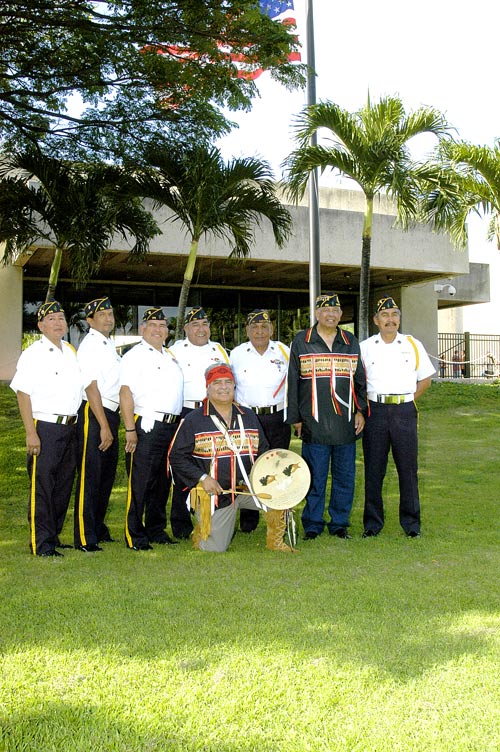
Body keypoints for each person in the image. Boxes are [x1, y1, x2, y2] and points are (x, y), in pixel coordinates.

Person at [169, 363, 292, 552]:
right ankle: (202, 528)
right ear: (208, 387)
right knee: (213, 548)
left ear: (235, 386)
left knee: (280, 493)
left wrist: (275, 478)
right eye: (217, 382)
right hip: (217, 493)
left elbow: (264, 451)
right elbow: (176, 457)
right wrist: (202, 479)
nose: (224, 387)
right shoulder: (194, 419)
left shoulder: (248, 415)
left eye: (228, 382)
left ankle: (276, 541)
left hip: (249, 488)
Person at [286, 293, 366, 540]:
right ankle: (312, 523)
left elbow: (360, 380)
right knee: (315, 476)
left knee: (344, 476)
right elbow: (293, 383)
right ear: (317, 314)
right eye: (325, 310)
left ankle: (339, 523)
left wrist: (360, 410)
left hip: (345, 423)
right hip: (313, 423)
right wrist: (296, 418)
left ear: (341, 315)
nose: (330, 314)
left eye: (335, 311)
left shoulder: (350, 341)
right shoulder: (302, 341)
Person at [10, 300, 83, 557]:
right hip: (46, 427)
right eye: (51, 319)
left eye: (61, 318)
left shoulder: (70, 351)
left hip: (70, 428)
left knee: (63, 486)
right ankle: (41, 543)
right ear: (40, 325)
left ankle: (53, 536)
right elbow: (22, 394)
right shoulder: (33, 354)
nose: (58, 323)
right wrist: (31, 432)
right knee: (42, 487)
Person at [360, 296, 435, 538]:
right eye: (385, 315)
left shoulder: (412, 344)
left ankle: (411, 524)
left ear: (399, 319)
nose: (390, 320)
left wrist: (408, 400)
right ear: (376, 320)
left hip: (404, 410)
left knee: (407, 469)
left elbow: (425, 379)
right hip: (375, 411)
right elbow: (357, 382)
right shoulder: (365, 347)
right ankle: (372, 524)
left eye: (394, 315)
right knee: (374, 469)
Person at [120, 307, 183, 550]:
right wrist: (129, 429)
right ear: (143, 329)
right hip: (146, 424)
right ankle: (134, 534)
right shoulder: (134, 356)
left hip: (170, 426)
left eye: (162, 326)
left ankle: (156, 529)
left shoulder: (169, 355)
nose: (158, 330)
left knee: (161, 481)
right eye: (152, 325)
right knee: (140, 481)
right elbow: (125, 392)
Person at [168, 306, 229, 539]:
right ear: (185, 328)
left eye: (204, 324)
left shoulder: (220, 350)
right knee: (182, 468)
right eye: (195, 325)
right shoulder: (174, 351)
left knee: (213, 465)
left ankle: (216, 516)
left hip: (214, 413)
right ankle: (181, 524)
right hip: (186, 413)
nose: (201, 329)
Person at [230, 308, 291, 532]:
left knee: (277, 467)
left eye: (264, 327)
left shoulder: (284, 351)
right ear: (247, 330)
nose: (259, 331)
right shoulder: (235, 354)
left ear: (272, 329)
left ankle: (276, 518)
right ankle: (248, 521)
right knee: (249, 469)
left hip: (278, 417)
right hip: (248, 418)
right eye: (254, 327)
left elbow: (293, 386)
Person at [73, 296, 121, 552]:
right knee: (90, 476)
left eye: (110, 313)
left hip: (109, 414)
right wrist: (102, 424)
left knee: (105, 476)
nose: (108, 318)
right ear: (90, 320)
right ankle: (84, 535)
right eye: (102, 315)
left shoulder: (106, 344)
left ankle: (98, 528)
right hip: (95, 413)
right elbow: (91, 387)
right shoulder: (90, 345)